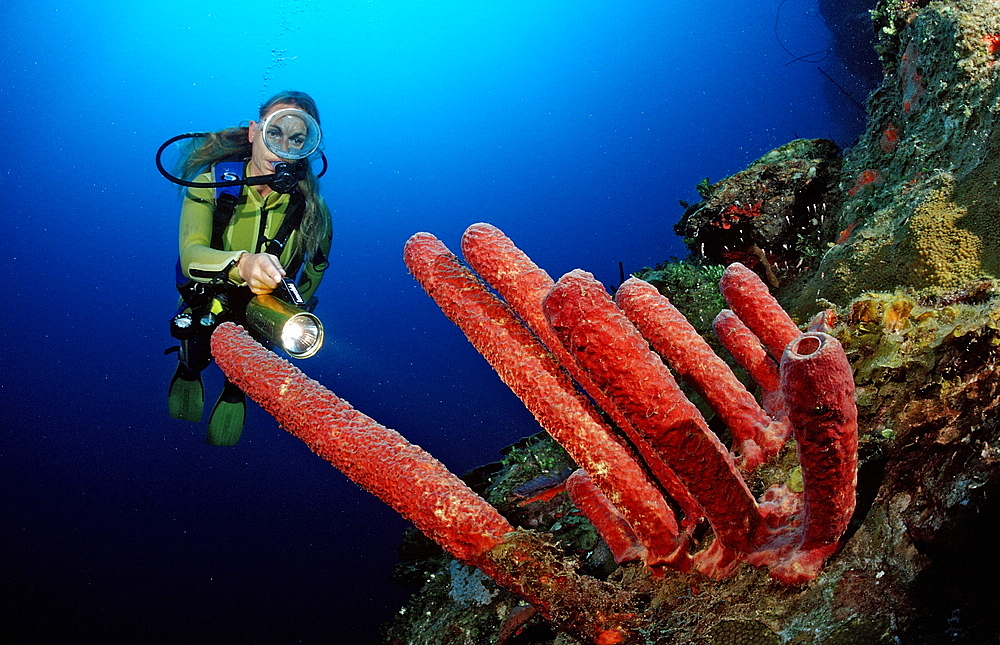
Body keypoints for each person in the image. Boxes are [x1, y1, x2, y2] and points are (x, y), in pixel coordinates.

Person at [164, 91, 332, 446]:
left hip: (263, 310)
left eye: (297, 139)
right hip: (208, 297)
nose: (283, 147)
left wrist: (294, 313)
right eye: (275, 133)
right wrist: (243, 264)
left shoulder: (315, 213)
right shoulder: (211, 183)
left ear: (308, 147)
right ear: (255, 132)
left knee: (243, 374)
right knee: (195, 350)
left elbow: (314, 272)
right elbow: (191, 255)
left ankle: (234, 393)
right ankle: (188, 370)